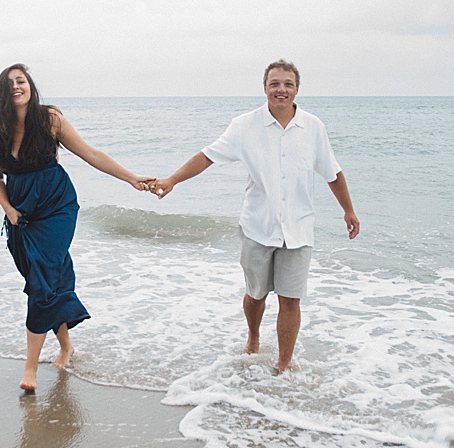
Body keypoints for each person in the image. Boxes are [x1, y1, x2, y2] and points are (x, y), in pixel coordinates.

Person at [149, 59, 359, 373]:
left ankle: (283, 366)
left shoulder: (313, 127)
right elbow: (207, 156)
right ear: (265, 88)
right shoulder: (244, 126)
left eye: (288, 84)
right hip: (258, 226)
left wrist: (348, 210)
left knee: (291, 299)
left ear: (297, 89)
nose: (281, 90)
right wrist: (172, 180)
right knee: (256, 294)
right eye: (275, 83)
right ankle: (253, 335)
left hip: (299, 229)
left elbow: (332, 172)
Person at [0, 63, 152, 392]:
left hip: (57, 208)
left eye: (21, 81)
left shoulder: (50, 120)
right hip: (21, 216)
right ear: (1, 94)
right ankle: (66, 346)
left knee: (41, 281)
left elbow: (91, 154)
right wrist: (9, 210)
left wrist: (132, 178)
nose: (16, 86)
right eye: (9, 84)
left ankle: (30, 369)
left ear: (30, 86)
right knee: (48, 282)